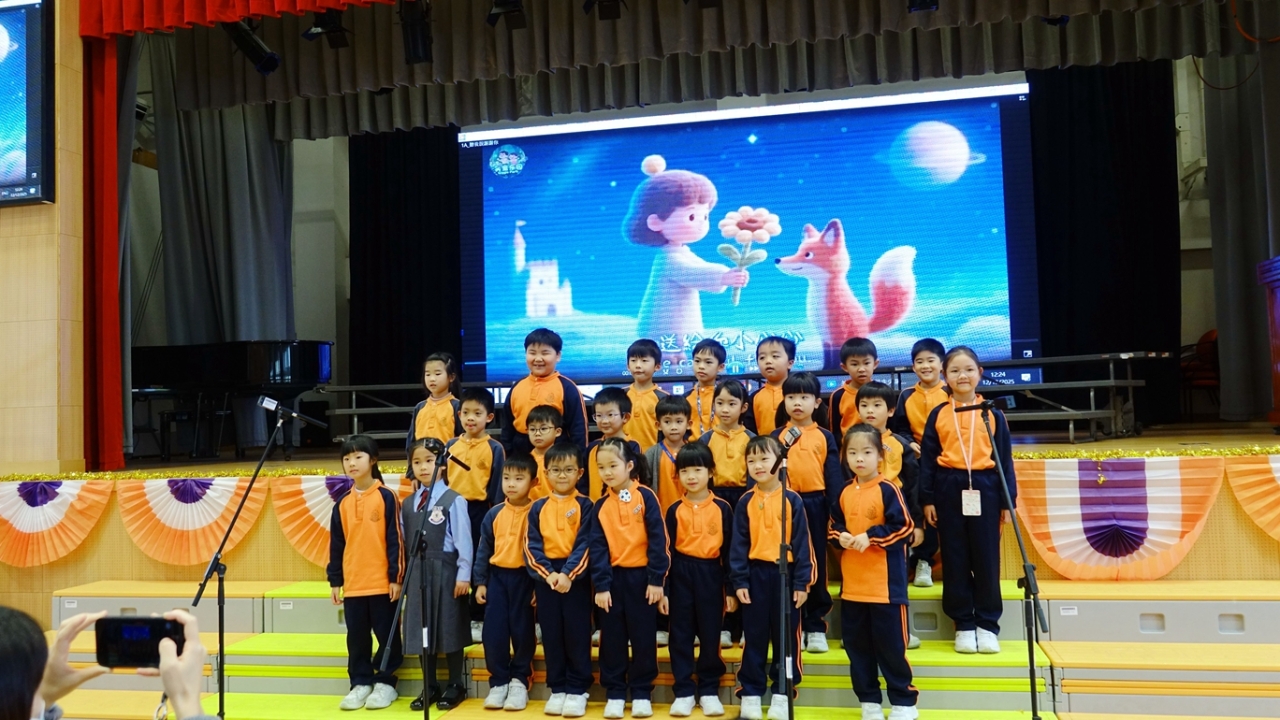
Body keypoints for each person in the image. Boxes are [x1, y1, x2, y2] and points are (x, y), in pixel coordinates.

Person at [920, 346, 1017, 655]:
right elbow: (928, 460)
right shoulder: (939, 414)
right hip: (949, 486)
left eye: (968, 369)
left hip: (986, 486)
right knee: (955, 556)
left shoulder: (993, 413)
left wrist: (1007, 500)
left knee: (986, 556)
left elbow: (1004, 459)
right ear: (944, 376)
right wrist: (928, 498)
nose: (962, 375)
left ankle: (987, 624)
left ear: (980, 373)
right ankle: (963, 623)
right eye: (955, 370)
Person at [830, 424, 918, 720]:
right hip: (853, 588)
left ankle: (904, 702)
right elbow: (832, 526)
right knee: (857, 649)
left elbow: (904, 527)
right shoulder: (844, 491)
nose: (859, 459)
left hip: (885, 589)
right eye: (852, 453)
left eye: (867, 452)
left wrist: (871, 537)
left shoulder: (888, 489)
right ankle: (869, 701)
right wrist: (840, 535)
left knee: (891, 648)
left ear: (880, 456)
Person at [623, 155, 749, 359]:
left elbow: (699, 266)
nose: (701, 223)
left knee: (679, 351)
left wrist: (726, 275)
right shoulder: (668, 259)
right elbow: (690, 272)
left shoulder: (681, 252)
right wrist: (723, 277)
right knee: (666, 352)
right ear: (655, 222)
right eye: (692, 216)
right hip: (664, 326)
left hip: (678, 327)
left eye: (705, 216)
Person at [731, 435, 815, 720]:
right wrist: (740, 581)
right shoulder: (745, 501)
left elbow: (803, 545)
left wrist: (802, 582)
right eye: (751, 460)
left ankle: (782, 692)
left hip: (785, 576)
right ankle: (751, 693)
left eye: (764, 459)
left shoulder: (792, 499)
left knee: (786, 637)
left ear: (780, 461)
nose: (757, 465)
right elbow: (738, 545)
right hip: (755, 576)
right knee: (753, 636)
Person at [587, 438, 668, 719]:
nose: (607, 472)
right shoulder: (600, 506)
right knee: (612, 639)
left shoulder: (646, 496)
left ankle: (642, 691)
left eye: (613, 465)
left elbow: (658, 540)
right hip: (612, 581)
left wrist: (656, 580)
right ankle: (615, 692)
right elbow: (597, 547)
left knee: (643, 637)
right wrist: (601, 585)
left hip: (642, 580)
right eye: (601, 467)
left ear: (629, 465)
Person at [327, 435, 404, 710]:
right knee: (357, 637)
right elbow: (337, 545)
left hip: (382, 583)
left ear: (373, 460)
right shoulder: (342, 503)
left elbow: (396, 540)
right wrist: (336, 581)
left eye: (358, 456)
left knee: (386, 635)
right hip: (354, 584)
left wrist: (396, 577)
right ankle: (360, 682)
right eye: (347, 458)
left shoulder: (387, 496)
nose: (352, 463)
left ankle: (385, 682)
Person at [771, 371, 843, 654]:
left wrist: (836, 514)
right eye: (791, 397)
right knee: (787, 564)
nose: (797, 403)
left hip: (815, 504)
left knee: (815, 563)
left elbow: (833, 478)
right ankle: (793, 626)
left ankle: (815, 625)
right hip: (783, 504)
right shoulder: (776, 437)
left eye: (804, 397)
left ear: (817, 402)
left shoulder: (825, 436)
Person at [663, 442, 734, 717]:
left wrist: (730, 588)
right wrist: (665, 589)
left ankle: (708, 690)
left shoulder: (723, 508)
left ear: (711, 472)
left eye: (697, 470)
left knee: (710, 633)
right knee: (680, 634)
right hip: (681, 573)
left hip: (710, 574)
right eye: (684, 471)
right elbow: (666, 553)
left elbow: (730, 552)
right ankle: (683, 691)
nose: (691, 476)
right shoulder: (673, 510)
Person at [524, 443, 595, 718]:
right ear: (545, 473)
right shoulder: (537, 507)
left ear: (579, 473)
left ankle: (578, 689)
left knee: (577, 633)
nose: (562, 476)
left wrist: (568, 574)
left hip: (575, 577)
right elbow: (531, 545)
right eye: (555, 470)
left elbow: (586, 543)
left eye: (568, 470)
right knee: (551, 634)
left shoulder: (586, 505)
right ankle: (558, 688)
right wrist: (549, 574)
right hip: (547, 578)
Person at [403, 438, 473, 711]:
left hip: (445, 569)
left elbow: (463, 540)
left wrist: (464, 574)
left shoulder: (453, 500)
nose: (423, 467)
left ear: (441, 465)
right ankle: (429, 684)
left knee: (449, 623)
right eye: (417, 462)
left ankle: (455, 683)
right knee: (421, 627)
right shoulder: (409, 503)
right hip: (417, 570)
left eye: (429, 461)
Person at [856, 381, 924, 649]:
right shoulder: (852, 441)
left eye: (877, 405)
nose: (870, 410)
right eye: (864, 405)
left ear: (891, 410)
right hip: (861, 521)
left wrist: (917, 523)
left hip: (895, 522)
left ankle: (900, 631)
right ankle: (866, 632)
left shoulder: (900, 445)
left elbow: (913, 485)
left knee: (896, 578)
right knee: (862, 577)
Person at [475, 454, 539, 711]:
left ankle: (519, 680)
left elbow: (542, 552)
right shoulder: (494, 513)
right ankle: (499, 681)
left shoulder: (537, 512)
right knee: (494, 631)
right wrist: (480, 582)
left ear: (534, 482)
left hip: (526, 578)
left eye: (519, 479)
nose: (511, 484)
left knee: (523, 630)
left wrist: (538, 584)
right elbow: (484, 549)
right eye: (506, 478)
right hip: (498, 578)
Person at [444, 387, 506, 643]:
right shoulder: (450, 446)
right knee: (454, 560)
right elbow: (444, 481)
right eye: (466, 412)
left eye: (477, 413)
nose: (470, 418)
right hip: (451, 510)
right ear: (459, 415)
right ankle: (455, 617)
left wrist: (496, 516)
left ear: (489, 417)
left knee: (479, 561)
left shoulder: (494, 448)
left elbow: (498, 487)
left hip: (480, 510)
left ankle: (477, 617)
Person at [698, 378, 753, 648]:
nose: (725, 409)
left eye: (732, 403)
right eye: (719, 403)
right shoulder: (705, 439)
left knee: (741, 560)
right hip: (715, 502)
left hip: (743, 499)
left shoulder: (752, 439)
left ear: (743, 407)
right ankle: (722, 625)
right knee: (719, 562)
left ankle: (743, 626)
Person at [889, 338, 948, 588]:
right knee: (923, 509)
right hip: (918, 462)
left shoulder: (950, 392)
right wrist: (908, 443)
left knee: (945, 512)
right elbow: (900, 428)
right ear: (913, 367)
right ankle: (923, 560)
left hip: (946, 462)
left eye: (930, 360)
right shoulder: (906, 395)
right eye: (919, 362)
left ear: (942, 364)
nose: (925, 366)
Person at [500, 328, 588, 455]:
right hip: (521, 454)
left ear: (558, 356)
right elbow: (507, 428)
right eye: (532, 353)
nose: (538, 359)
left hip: (557, 454)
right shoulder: (517, 387)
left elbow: (578, 428)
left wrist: (580, 459)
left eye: (545, 353)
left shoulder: (567, 387)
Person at [405, 352, 463, 478]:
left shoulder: (457, 406)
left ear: (451, 377)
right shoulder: (420, 407)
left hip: (448, 470)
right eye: (427, 374)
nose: (432, 379)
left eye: (437, 374)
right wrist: (412, 473)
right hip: (423, 470)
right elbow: (411, 442)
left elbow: (462, 441)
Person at [583, 387, 644, 501]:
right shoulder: (592, 447)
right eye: (599, 415)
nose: (604, 421)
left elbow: (636, 479)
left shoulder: (632, 446)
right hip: (595, 507)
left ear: (625, 417)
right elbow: (584, 481)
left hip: (624, 505)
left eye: (610, 415)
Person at [643, 395, 693, 512]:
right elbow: (645, 486)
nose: (673, 427)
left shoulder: (694, 453)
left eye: (679, 421)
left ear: (689, 424)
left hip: (689, 514)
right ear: (658, 425)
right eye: (667, 422)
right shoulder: (651, 454)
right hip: (661, 514)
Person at [745, 336, 795, 437]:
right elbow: (749, 430)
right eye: (762, 357)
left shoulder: (799, 393)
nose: (768, 361)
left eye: (775, 356)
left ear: (790, 363)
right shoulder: (754, 398)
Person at [828, 338, 879, 436]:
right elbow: (834, 430)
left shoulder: (881, 392)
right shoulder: (838, 395)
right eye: (855, 364)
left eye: (866, 363)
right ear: (844, 367)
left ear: (875, 364)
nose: (861, 369)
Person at [625, 339, 669, 450]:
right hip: (623, 456)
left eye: (644, 360)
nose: (638, 365)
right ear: (628, 366)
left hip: (652, 456)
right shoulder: (620, 396)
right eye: (633, 360)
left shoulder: (664, 398)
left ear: (657, 366)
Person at [687, 338, 727, 438]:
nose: (701, 366)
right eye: (697, 361)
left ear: (720, 367)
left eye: (708, 362)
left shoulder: (727, 397)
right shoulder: (686, 398)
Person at [526, 404, 564, 501]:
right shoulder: (524, 460)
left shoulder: (563, 460)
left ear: (557, 432)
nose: (537, 433)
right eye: (532, 429)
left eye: (543, 429)